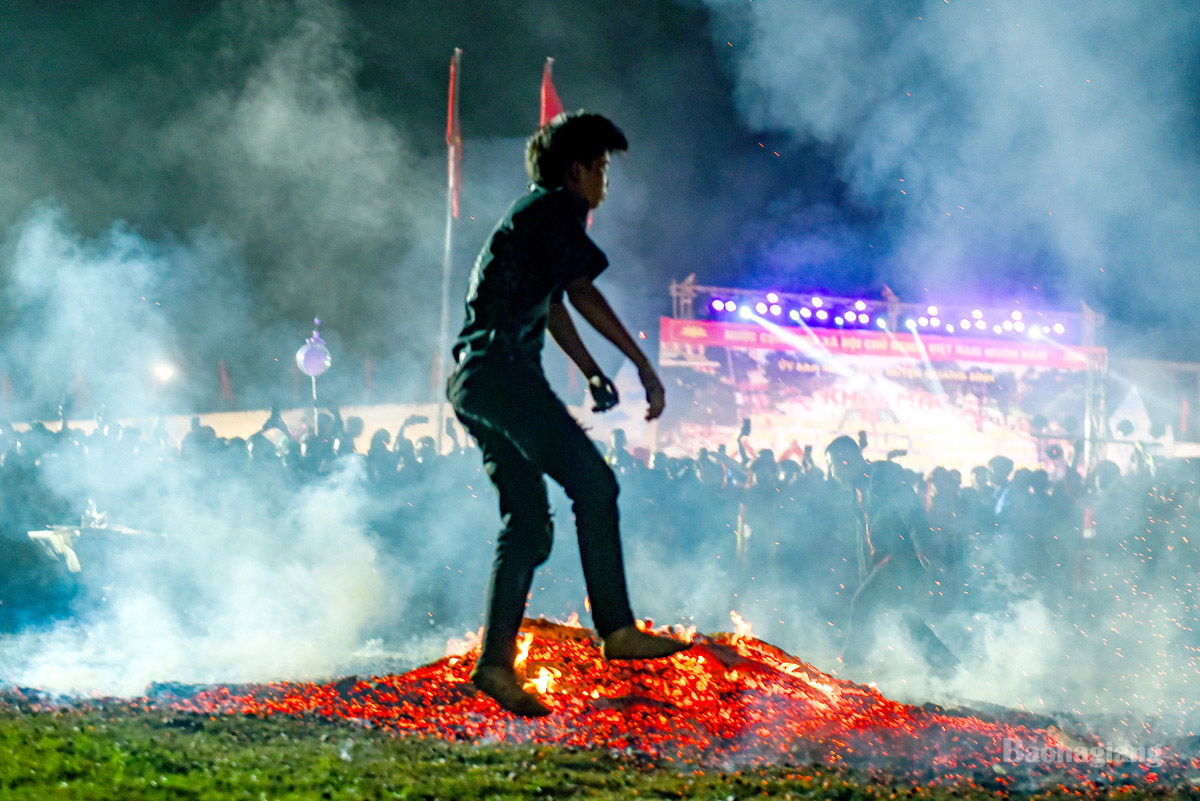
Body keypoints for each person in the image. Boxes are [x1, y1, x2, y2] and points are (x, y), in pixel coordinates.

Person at [446, 112, 690, 717]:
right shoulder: (555, 209)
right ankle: (618, 630)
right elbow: (580, 291)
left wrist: (589, 370)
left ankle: (496, 667)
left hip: (476, 381)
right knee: (595, 484)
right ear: (575, 170)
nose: (606, 182)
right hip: (503, 373)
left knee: (528, 525)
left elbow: (552, 302)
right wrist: (642, 364)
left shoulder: (530, 218)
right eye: (602, 167)